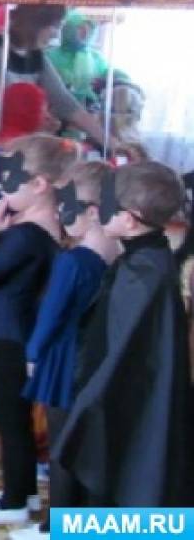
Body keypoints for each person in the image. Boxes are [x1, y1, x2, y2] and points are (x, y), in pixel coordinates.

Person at [51, 162, 192, 508]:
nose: (98, 211)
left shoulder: (142, 274)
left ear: (129, 219)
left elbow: (117, 353)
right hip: (129, 392)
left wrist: (86, 404)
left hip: (123, 399)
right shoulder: (148, 260)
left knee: (118, 473)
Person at [0, 135, 75, 525]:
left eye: (10, 178)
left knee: (10, 421)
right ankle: (22, 492)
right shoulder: (29, 226)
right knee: (10, 419)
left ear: (40, 184)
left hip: (9, 340)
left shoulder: (28, 234)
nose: (1, 186)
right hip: (6, 335)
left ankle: (14, 502)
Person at [10, 161, 117, 540]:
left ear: (93, 211)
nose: (60, 214)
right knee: (87, 446)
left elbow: (51, 314)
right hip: (97, 362)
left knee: (61, 446)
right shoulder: (117, 258)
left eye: (68, 206)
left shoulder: (72, 261)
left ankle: (57, 527)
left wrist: (33, 354)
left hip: (62, 361)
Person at [0, 4, 106, 158]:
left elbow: (64, 102)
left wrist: (107, 141)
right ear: (36, 23)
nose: (56, 35)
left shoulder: (36, 57)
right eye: (55, 26)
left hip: (2, 143)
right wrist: (33, 121)